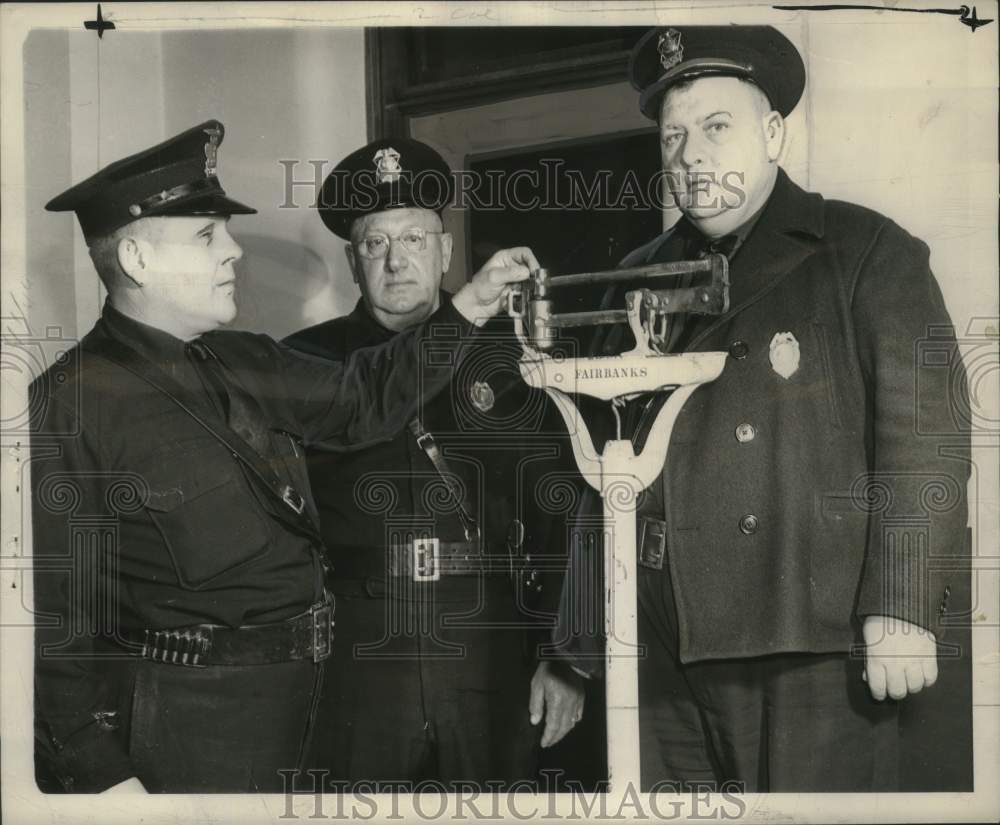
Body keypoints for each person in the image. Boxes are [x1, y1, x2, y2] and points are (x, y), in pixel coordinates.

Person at [30, 121, 534, 793]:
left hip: (306, 715)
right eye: (208, 235)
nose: (234, 251)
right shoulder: (67, 405)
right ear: (136, 261)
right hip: (185, 727)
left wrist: (467, 306)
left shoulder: (244, 358)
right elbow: (48, 617)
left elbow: (366, 397)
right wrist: (101, 775)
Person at [557, 26, 970, 792]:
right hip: (659, 637)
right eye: (673, 136)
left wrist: (904, 604)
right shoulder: (635, 277)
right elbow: (601, 461)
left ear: (773, 132)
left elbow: (927, 440)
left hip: (809, 637)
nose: (690, 155)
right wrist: (579, 642)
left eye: (716, 127)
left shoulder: (863, 250)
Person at [283, 138, 584, 790]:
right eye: (374, 244)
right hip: (361, 645)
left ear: (445, 250)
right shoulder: (306, 362)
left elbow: (563, 507)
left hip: (488, 636)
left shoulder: (510, 359)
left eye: (416, 239)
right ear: (351, 261)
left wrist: (566, 658)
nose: (396, 262)